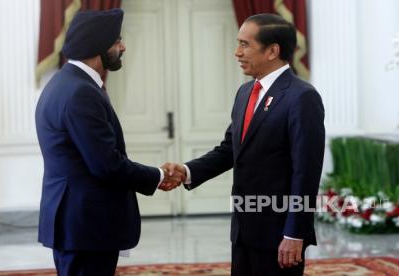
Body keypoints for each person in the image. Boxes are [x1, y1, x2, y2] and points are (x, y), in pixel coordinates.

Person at [162, 13, 325, 275]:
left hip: (279, 231)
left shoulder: (302, 97)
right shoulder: (246, 92)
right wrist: (186, 171)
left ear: (272, 50)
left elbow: (306, 172)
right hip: (243, 229)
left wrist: (295, 233)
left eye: (245, 44)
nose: (237, 52)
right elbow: (230, 150)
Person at [35, 9, 183, 276]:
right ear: (97, 46)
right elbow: (106, 164)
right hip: (86, 225)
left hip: (77, 223)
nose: (122, 46)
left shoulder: (64, 83)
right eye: (117, 41)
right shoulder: (81, 92)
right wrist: (158, 175)